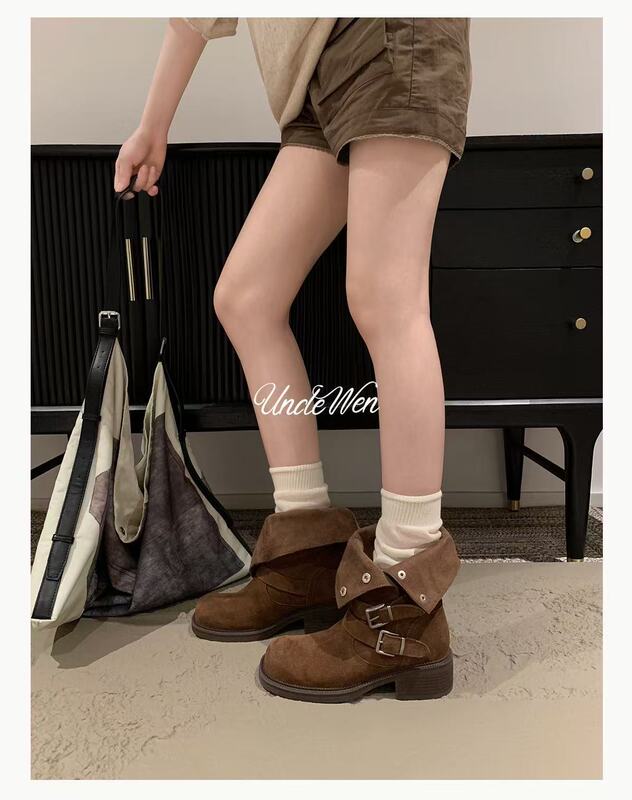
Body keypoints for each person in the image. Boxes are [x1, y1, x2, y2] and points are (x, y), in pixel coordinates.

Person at [115, 17, 471, 703]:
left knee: (387, 300)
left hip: (388, 33)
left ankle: (405, 608)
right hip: (315, 79)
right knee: (247, 297)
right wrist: (153, 125)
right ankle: (306, 555)